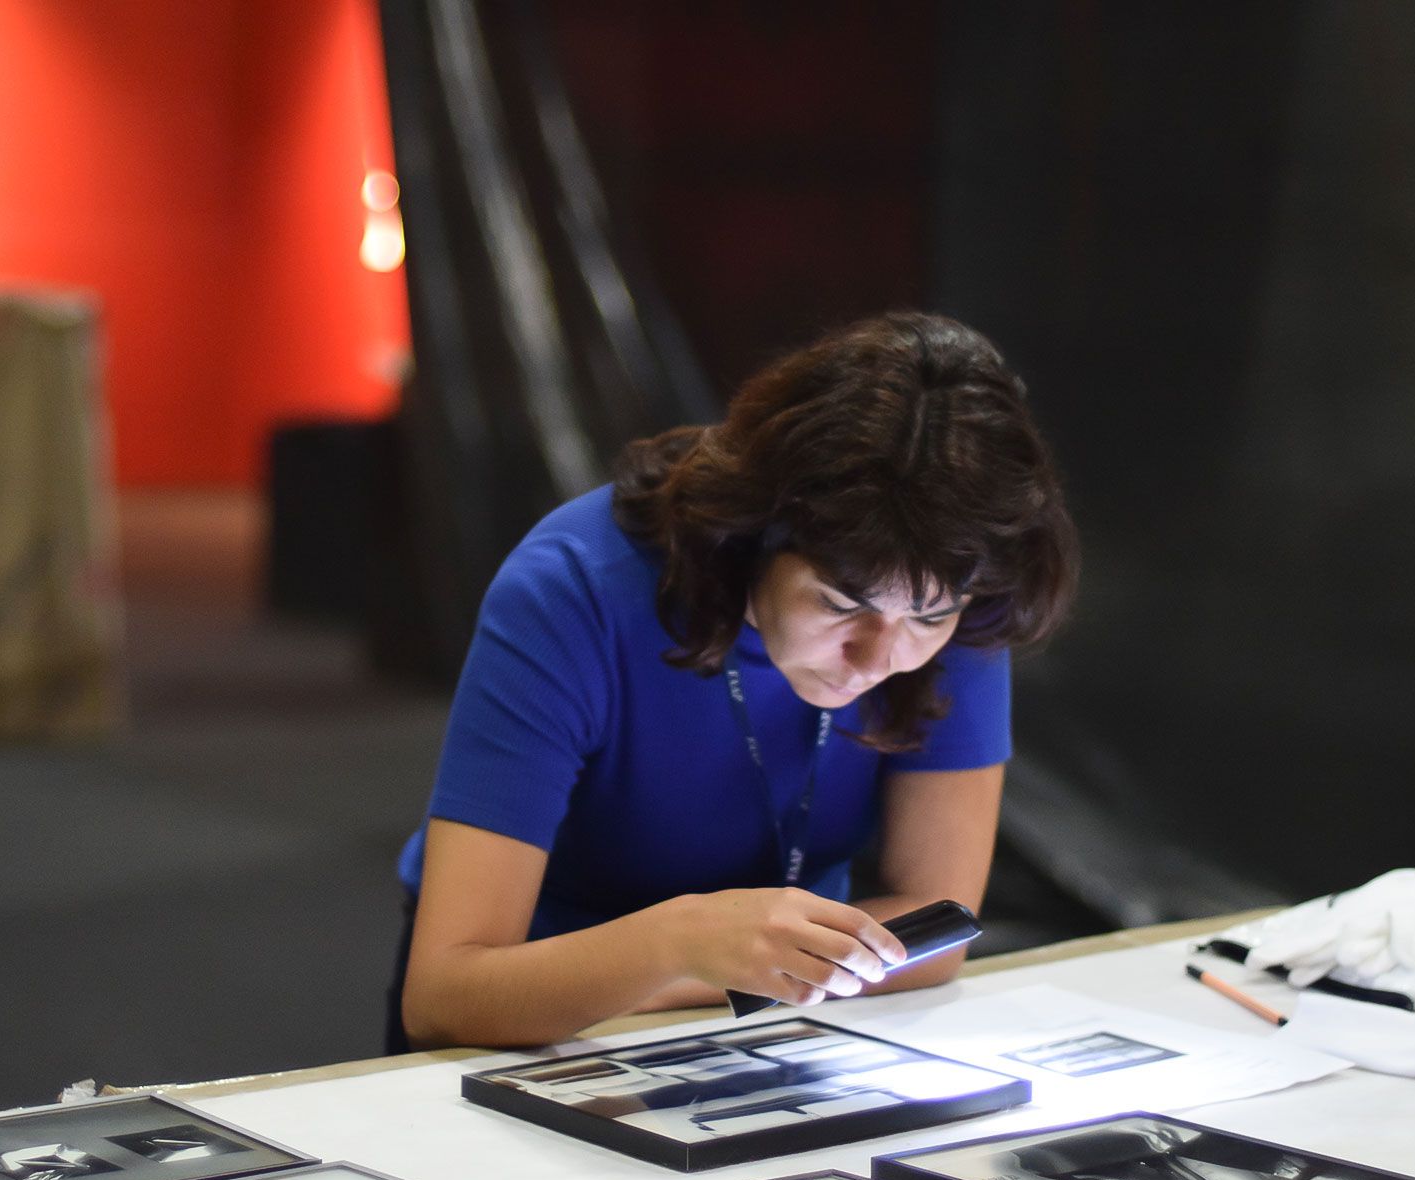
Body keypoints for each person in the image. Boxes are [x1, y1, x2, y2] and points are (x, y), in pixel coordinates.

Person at [390, 311, 1078, 1051]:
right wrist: (678, 944)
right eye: (840, 604)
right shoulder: (575, 590)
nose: (879, 658)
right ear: (753, 534)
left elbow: (934, 931)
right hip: (536, 1017)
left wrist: (738, 967)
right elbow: (449, 995)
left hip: (793, 1003)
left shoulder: (954, 593)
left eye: (931, 616)